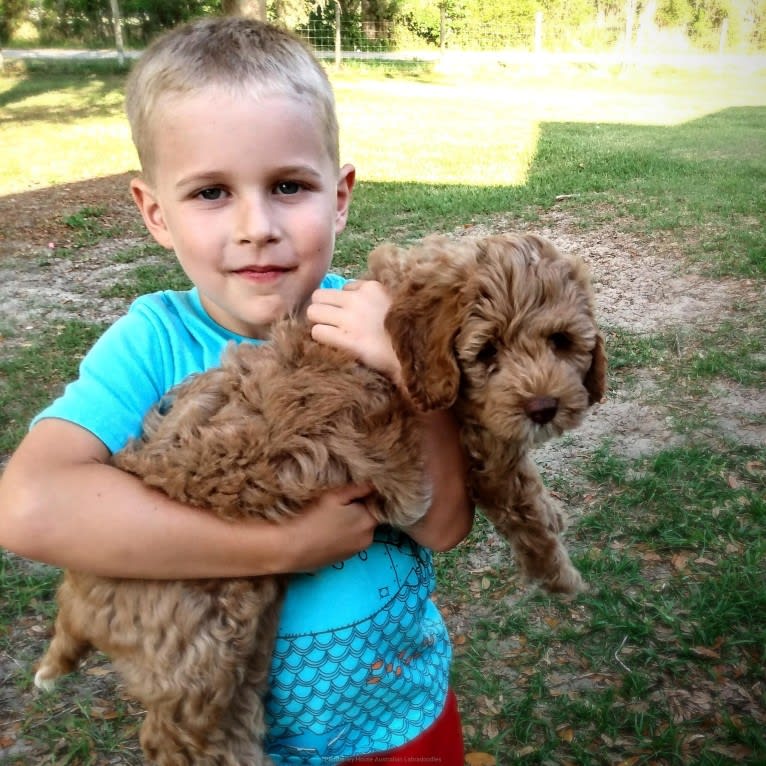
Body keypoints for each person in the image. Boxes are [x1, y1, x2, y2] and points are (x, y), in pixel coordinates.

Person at [0, 15, 473, 765]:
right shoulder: (152, 343)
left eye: (289, 186)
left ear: (340, 196)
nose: (257, 226)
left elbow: (444, 525)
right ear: (155, 211)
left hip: (403, 719)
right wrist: (281, 545)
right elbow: (27, 507)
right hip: (244, 741)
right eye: (212, 192)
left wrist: (411, 369)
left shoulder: (375, 319)